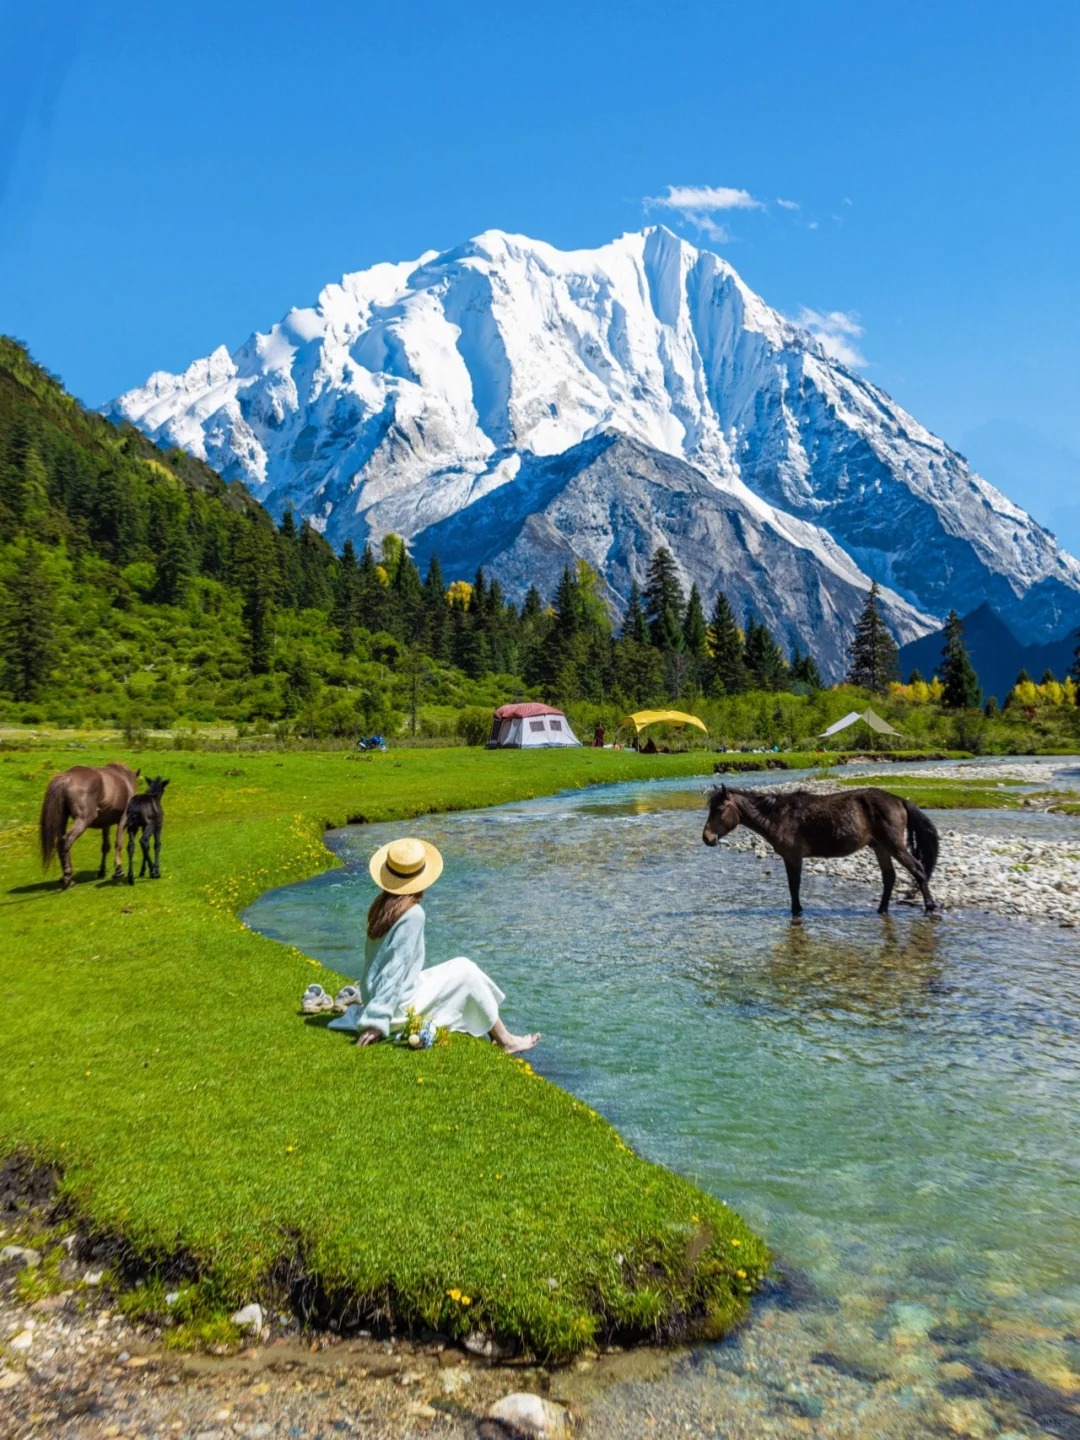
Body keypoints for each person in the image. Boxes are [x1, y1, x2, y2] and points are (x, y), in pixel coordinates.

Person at [327, 837, 541, 1053]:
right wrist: (377, 1020)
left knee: (461, 966)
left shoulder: (381, 905)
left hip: (376, 995)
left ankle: (499, 1034)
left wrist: (373, 1004)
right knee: (467, 973)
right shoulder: (412, 914)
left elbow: (379, 965)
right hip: (396, 1009)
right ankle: (506, 1041)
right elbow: (394, 969)